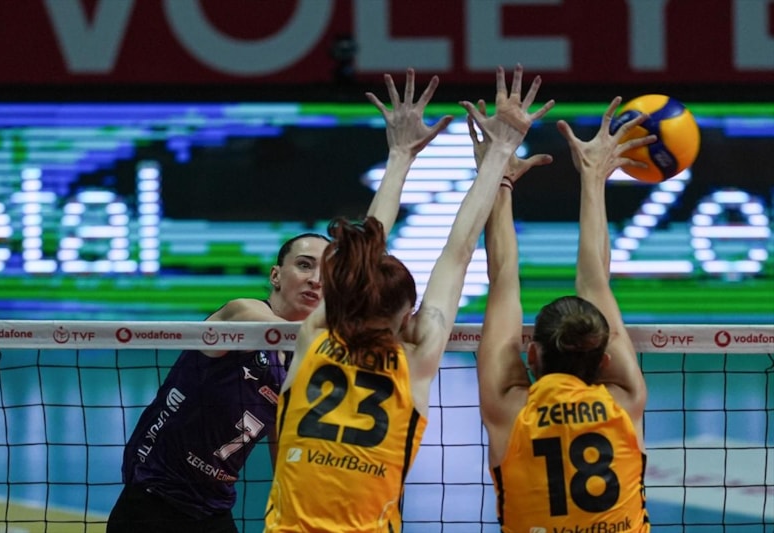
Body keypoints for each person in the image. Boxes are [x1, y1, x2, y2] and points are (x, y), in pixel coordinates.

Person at [106, 69, 453, 533]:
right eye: (303, 266)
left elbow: (285, 436)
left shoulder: (303, 356)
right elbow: (267, 323)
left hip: (212, 506)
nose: (315, 279)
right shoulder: (243, 316)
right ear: (276, 275)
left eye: (326, 272)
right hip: (153, 496)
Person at [263, 64, 555, 533]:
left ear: (346, 293)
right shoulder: (414, 361)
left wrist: (399, 154)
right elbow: (458, 252)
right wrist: (501, 150)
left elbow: (369, 242)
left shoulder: (316, 335)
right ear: (405, 317)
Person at [475, 97, 656, 532]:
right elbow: (595, 281)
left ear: (532, 354)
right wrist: (594, 177)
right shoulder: (624, 401)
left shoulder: (510, 409)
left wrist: (499, 179)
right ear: (605, 359)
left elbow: (502, 280)